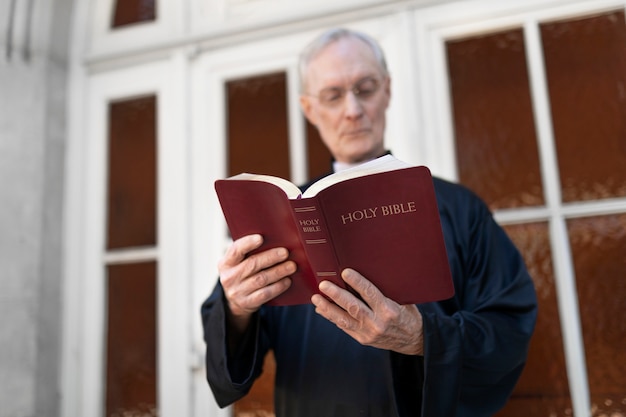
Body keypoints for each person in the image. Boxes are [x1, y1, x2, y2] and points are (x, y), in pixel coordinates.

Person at [201, 28, 537, 417]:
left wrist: (423, 338)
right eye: (333, 95)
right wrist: (237, 306)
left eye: (365, 88)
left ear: (388, 91)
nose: (353, 110)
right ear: (309, 109)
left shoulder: (459, 208)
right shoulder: (281, 217)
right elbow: (230, 364)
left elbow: (509, 330)